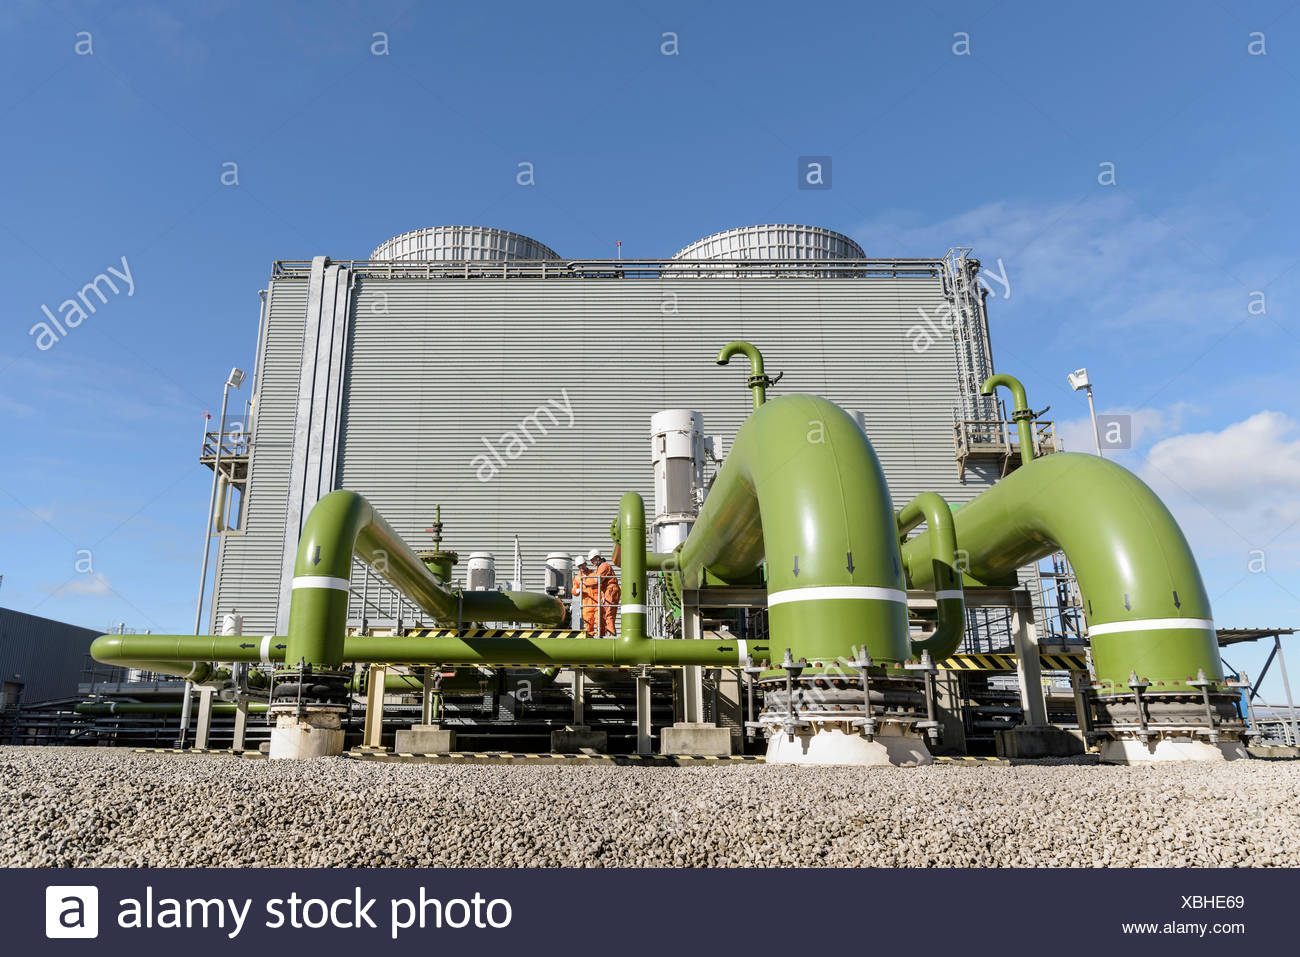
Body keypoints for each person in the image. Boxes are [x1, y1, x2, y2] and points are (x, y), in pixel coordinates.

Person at [571, 548, 620, 636]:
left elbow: (598, 583)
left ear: (585, 564)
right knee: (588, 622)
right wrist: (578, 590)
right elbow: (573, 590)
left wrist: (602, 597)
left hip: (597, 602)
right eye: (579, 566)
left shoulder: (595, 573)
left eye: (582, 565)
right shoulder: (577, 578)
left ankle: (603, 636)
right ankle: (591, 637)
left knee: (601, 621)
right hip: (587, 603)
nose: (581, 567)